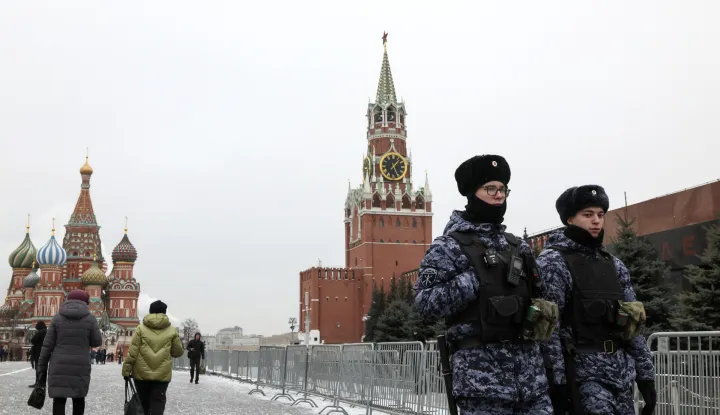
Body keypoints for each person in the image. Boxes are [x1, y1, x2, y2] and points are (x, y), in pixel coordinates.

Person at [414, 155, 558, 414]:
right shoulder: (448, 246)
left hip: (532, 384)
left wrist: (554, 372)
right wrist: (473, 280)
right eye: (490, 188)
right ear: (472, 193)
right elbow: (425, 304)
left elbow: (541, 304)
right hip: (481, 386)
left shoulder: (517, 246)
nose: (498, 195)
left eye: (503, 189)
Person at [536, 185, 657, 415]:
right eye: (588, 215)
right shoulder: (553, 262)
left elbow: (633, 325)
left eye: (600, 215)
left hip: (621, 378)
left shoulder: (614, 265)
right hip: (584, 380)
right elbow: (550, 330)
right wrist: (557, 384)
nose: (596, 221)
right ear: (570, 218)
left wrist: (645, 375)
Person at [36, 289, 102, 415]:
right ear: (85, 302)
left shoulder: (57, 318)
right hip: (80, 366)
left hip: (59, 365)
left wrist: (41, 367)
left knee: (59, 399)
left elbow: (47, 346)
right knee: (78, 399)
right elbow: (96, 342)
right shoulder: (90, 319)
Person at [122, 300, 184, 415]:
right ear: (165, 313)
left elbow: (132, 352)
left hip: (141, 374)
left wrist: (126, 370)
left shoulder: (140, 329)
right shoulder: (172, 330)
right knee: (158, 402)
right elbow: (178, 352)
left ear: (150, 312)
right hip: (162, 375)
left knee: (142, 402)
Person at [28, 321, 47, 388]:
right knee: (44, 369)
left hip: (38, 353)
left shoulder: (40, 332)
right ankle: (43, 383)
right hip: (45, 353)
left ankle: (38, 383)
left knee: (38, 369)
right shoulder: (47, 332)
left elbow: (32, 340)